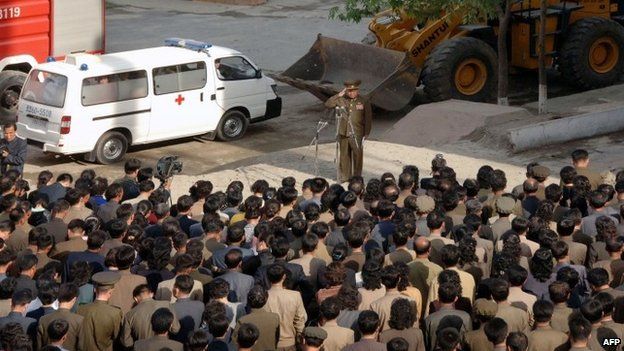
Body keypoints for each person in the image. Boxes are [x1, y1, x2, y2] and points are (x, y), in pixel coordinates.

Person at [324, 80, 372, 182]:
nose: (351, 93)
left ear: (357, 90)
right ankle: (344, 176)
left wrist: (366, 133)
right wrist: (338, 95)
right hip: (343, 132)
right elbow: (328, 104)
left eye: (354, 91)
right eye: (349, 91)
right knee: (344, 155)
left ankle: (357, 177)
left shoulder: (363, 100)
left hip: (357, 133)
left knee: (357, 156)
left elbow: (368, 118)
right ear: (346, 91)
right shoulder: (341, 99)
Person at [76, 271, 124, 351]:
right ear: (110, 292)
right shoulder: (115, 312)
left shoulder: (81, 309)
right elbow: (118, 338)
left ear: (95, 290)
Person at [264, 263, 307, 351]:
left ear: (268, 277)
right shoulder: (295, 295)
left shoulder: (263, 296)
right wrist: (300, 338)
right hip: (289, 342)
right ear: (284, 277)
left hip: (268, 343)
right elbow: (300, 320)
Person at [233, 285, 280, 351]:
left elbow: (235, 342)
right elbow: (277, 339)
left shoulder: (242, 320)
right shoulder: (275, 317)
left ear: (248, 300)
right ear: (266, 299)